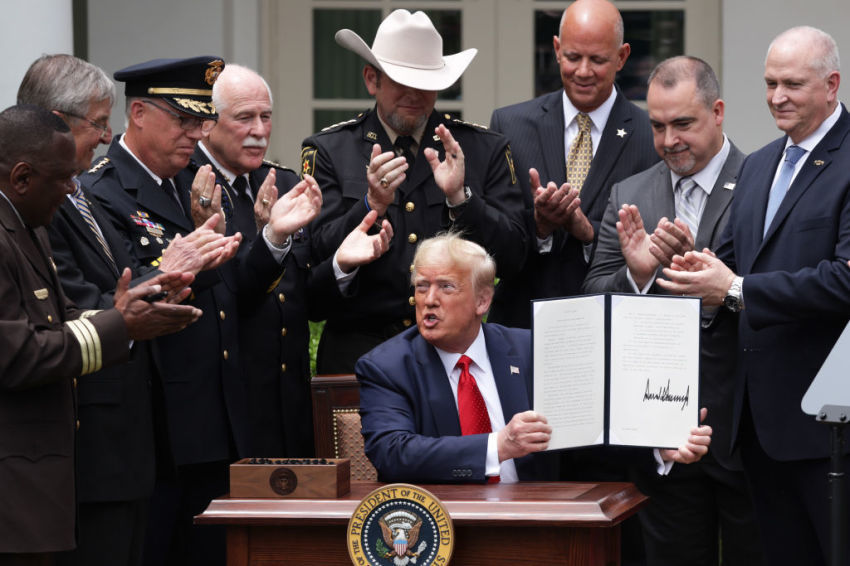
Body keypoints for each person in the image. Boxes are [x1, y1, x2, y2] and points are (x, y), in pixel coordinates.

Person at [79, 56, 309, 566]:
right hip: (159, 426)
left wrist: (273, 238)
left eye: (201, 122)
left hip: (219, 416)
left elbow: (233, 294)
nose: (194, 134)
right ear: (138, 114)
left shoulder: (192, 182)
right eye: (182, 121)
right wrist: (178, 262)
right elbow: (118, 301)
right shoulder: (102, 192)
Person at [16, 54, 239, 566]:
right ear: (56, 122)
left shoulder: (75, 195)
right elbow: (83, 307)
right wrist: (170, 269)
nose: (105, 136)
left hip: (134, 444)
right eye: (97, 124)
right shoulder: (45, 203)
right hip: (91, 446)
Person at [657, 27, 850, 566]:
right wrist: (693, 266)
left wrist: (735, 289)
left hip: (828, 430)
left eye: (792, 84)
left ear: (832, 85)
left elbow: (844, 279)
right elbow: (735, 265)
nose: (777, 97)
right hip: (753, 429)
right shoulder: (760, 164)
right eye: (769, 84)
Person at [0, 104, 200, 564]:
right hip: (15, 493)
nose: (74, 189)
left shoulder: (28, 226)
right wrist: (121, 325)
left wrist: (137, 306)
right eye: (64, 178)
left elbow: (64, 316)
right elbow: (17, 355)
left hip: (42, 489)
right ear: (22, 178)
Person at [583, 56, 760, 566]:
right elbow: (594, 298)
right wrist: (639, 274)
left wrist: (719, 282)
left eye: (683, 123)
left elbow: (773, 293)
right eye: (658, 126)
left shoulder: (762, 182)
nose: (668, 140)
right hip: (659, 434)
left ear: (718, 111)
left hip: (744, 431)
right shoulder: (630, 193)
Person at [357, 233, 713, 484]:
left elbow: (583, 441)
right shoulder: (387, 366)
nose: (429, 299)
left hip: (537, 519)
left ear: (483, 301)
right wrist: (499, 445)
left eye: (446, 286)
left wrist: (657, 446)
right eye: (422, 286)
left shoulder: (534, 350)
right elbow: (393, 452)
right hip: (442, 527)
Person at [302, 9, 527, 373]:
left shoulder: (482, 148)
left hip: (454, 358)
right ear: (371, 79)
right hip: (358, 354)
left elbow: (515, 256)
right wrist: (369, 206)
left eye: (424, 82)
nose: (414, 94)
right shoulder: (331, 150)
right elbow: (314, 262)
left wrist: (461, 199)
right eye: (399, 81)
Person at [196, 63, 392, 456]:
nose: (259, 130)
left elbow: (304, 299)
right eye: (244, 118)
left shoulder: (285, 182)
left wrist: (341, 266)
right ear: (206, 124)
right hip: (225, 407)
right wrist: (273, 237)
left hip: (289, 401)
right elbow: (230, 296)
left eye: (265, 116)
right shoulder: (192, 186)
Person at [487, 0, 659, 328]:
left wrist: (590, 233)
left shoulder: (649, 139)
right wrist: (539, 226)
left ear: (622, 57)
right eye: (573, 57)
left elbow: (652, 252)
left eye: (597, 60)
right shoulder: (510, 125)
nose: (582, 71)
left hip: (611, 330)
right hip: (523, 329)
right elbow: (494, 242)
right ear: (556, 49)